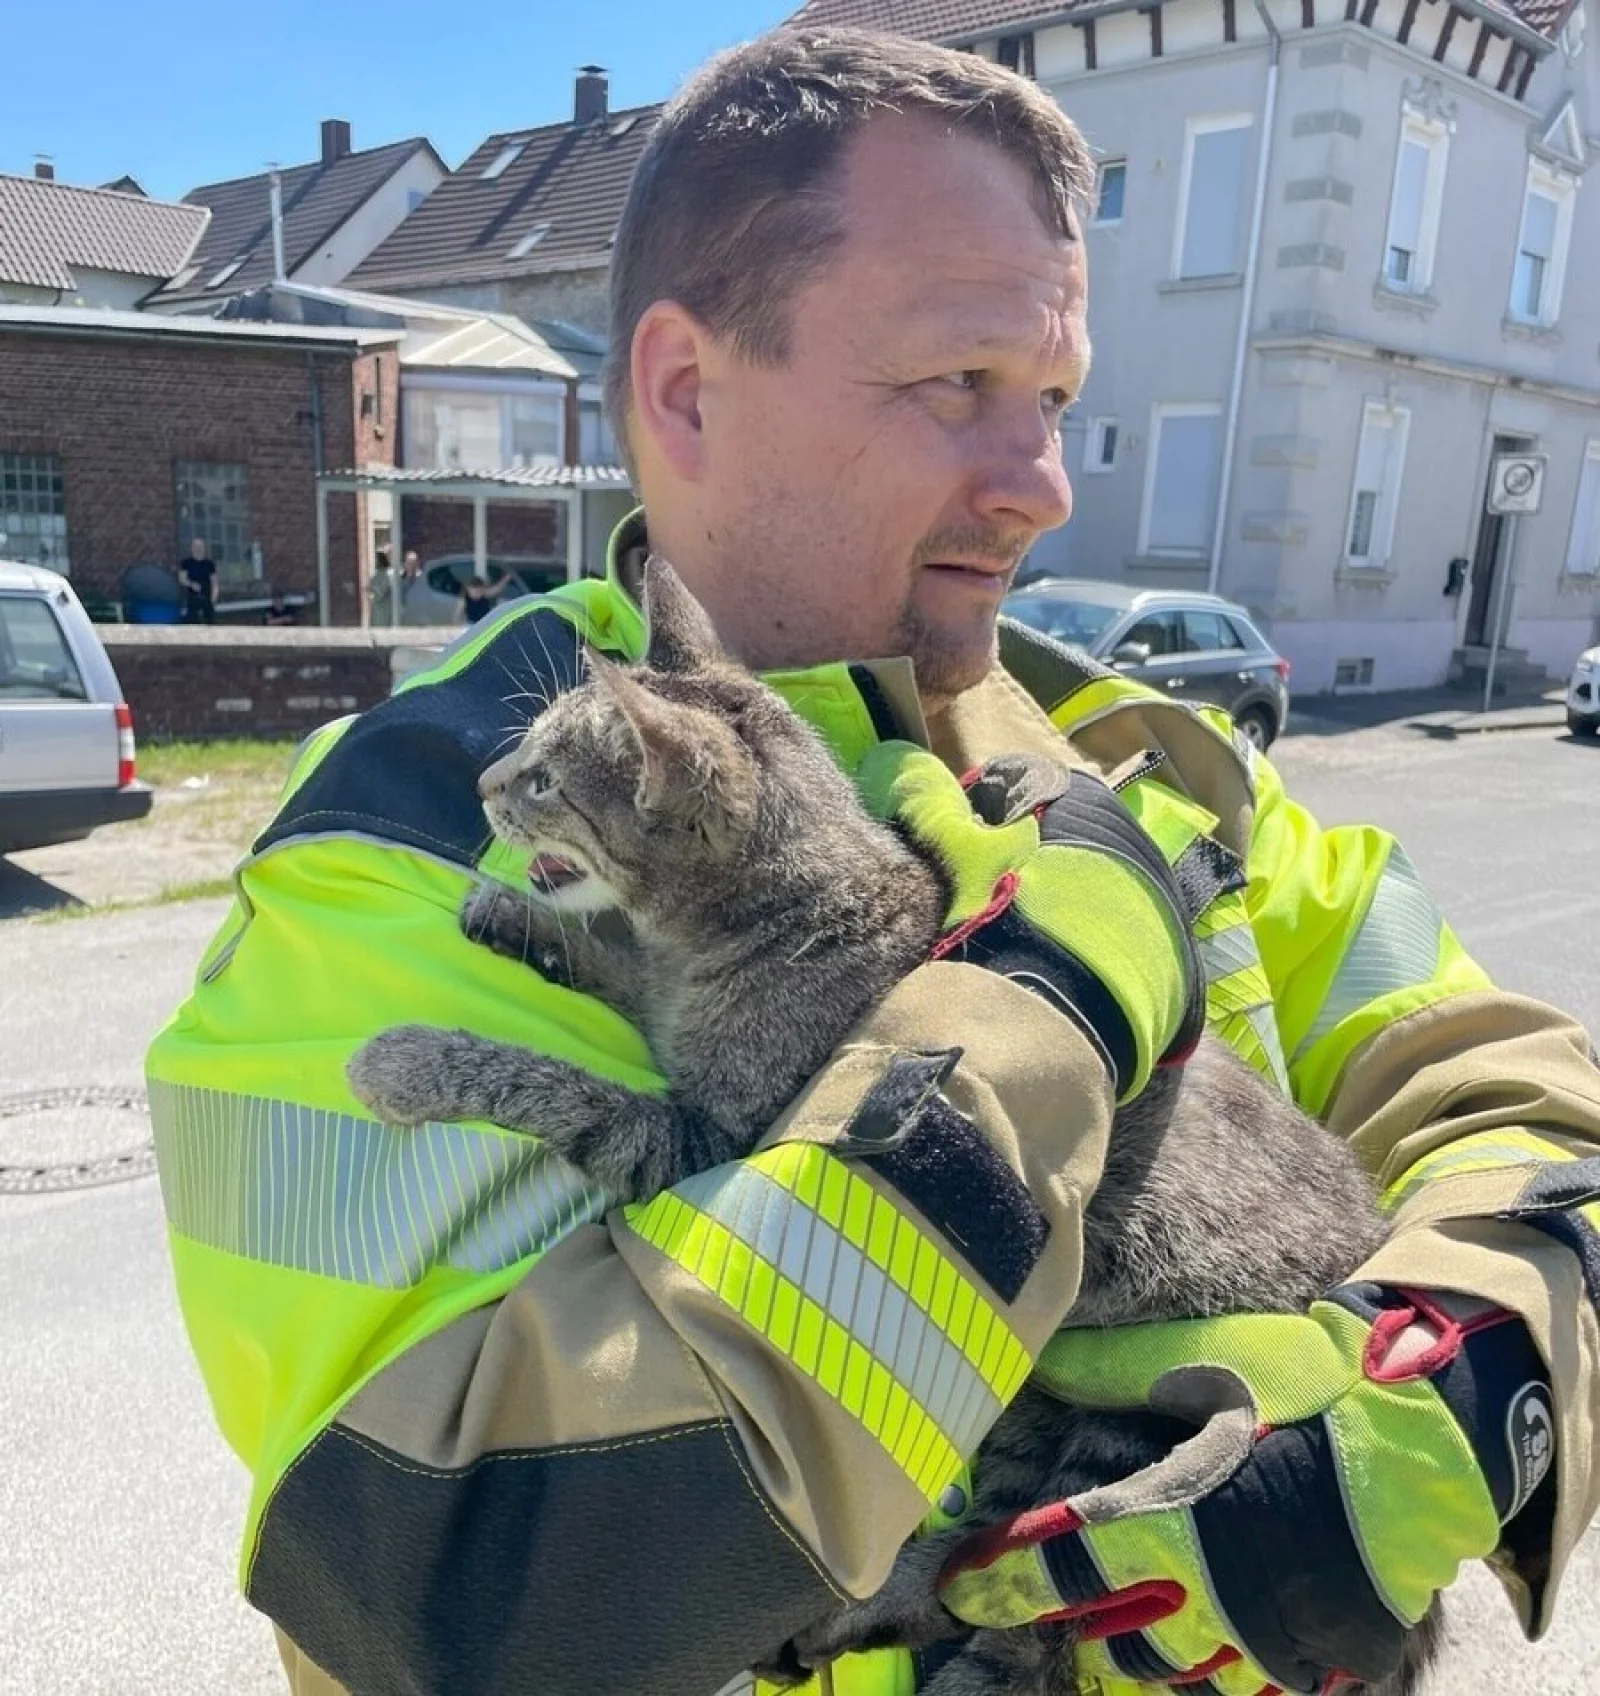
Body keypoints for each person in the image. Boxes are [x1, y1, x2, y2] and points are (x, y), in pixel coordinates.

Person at [146, 28, 1600, 1696]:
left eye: (1054, 401)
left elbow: (1531, 1110)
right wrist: (1044, 1006)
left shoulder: (1153, 761)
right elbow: (490, 1601)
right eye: (959, 382)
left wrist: (1466, 1370)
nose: (1044, 486)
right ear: (685, 389)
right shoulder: (388, 855)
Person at [178, 536, 218, 624]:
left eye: (200, 547)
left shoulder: (209, 564)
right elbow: (182, 579)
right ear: (192, 549)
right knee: (191, 621)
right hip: (193, 597)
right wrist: (192, 584)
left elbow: (214, 583)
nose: (198, 549)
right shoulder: (186, 563)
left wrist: (213, 598)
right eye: (196, 547)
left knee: (210, 621)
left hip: (206, 596)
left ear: (204, 548)